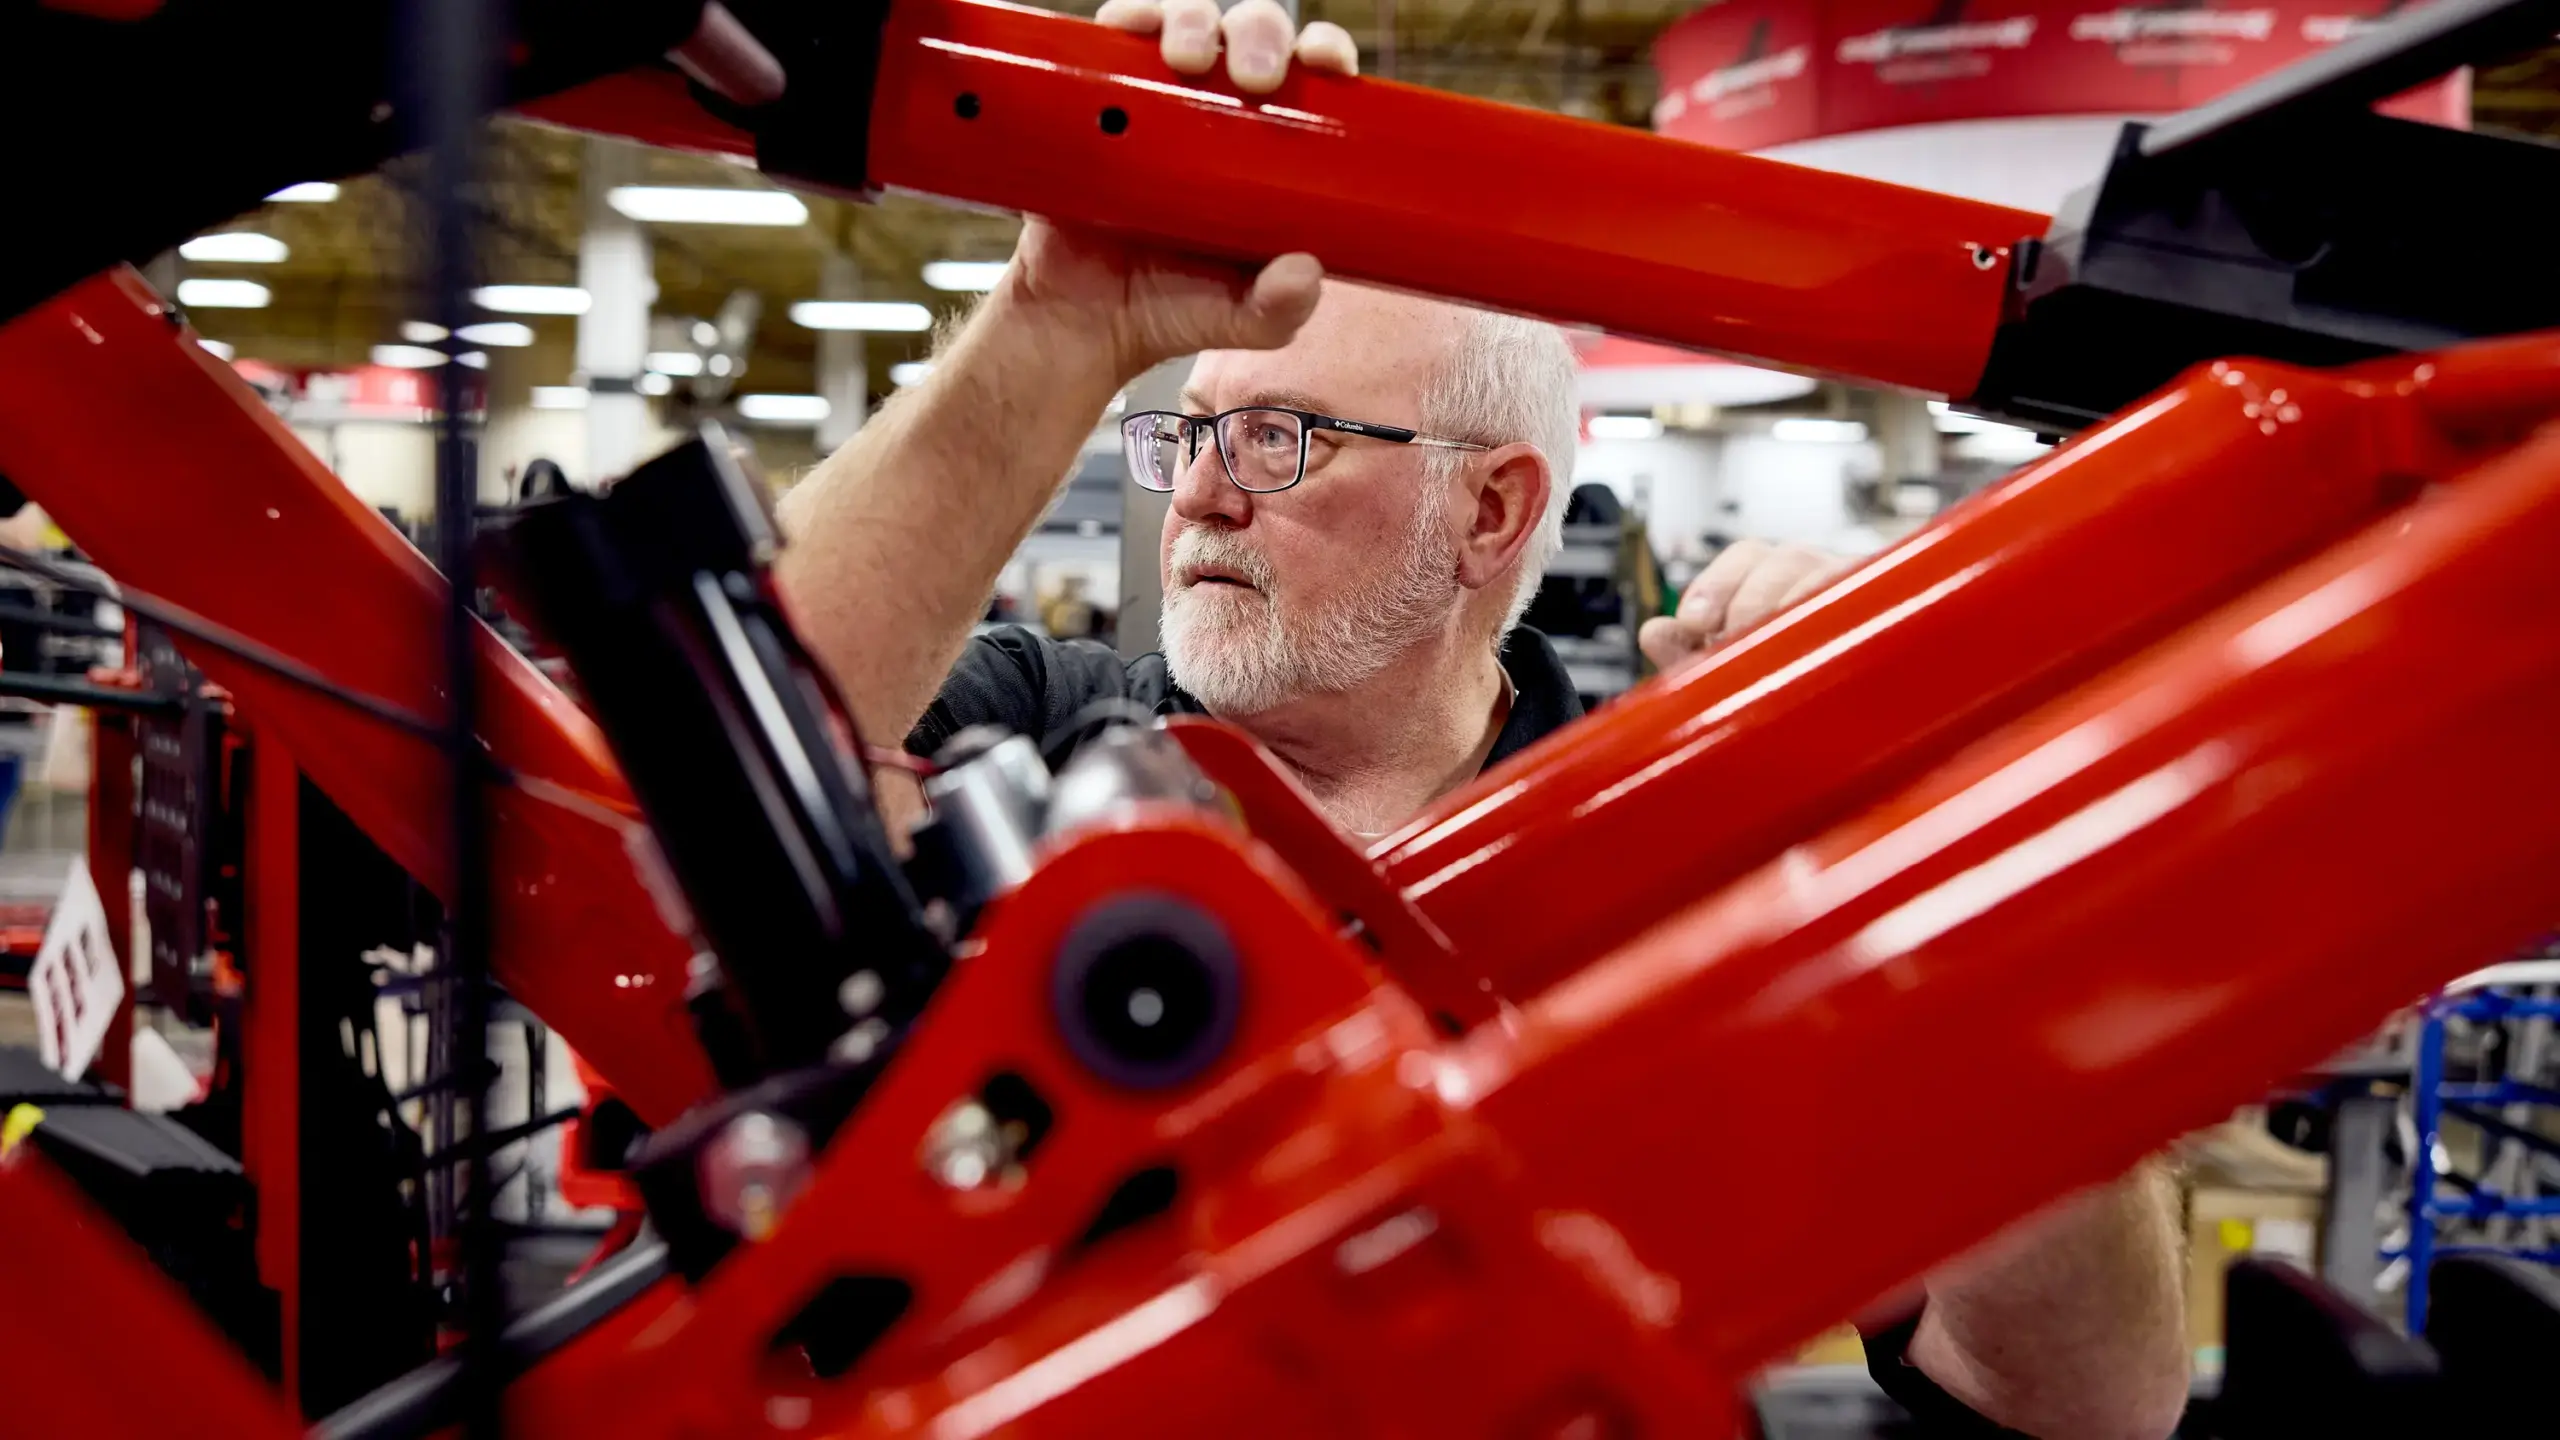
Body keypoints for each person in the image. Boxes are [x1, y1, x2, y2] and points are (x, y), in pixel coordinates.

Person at [775, 2, 2188, 1433]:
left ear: (1493, 511)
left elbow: (2087, 1407)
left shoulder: (1695, 864)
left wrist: (1934, 831)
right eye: (1189, 429)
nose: (1195, 491)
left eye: (1279, 438)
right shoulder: (1032, 735)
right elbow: (701, 768)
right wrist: (1062, 317)